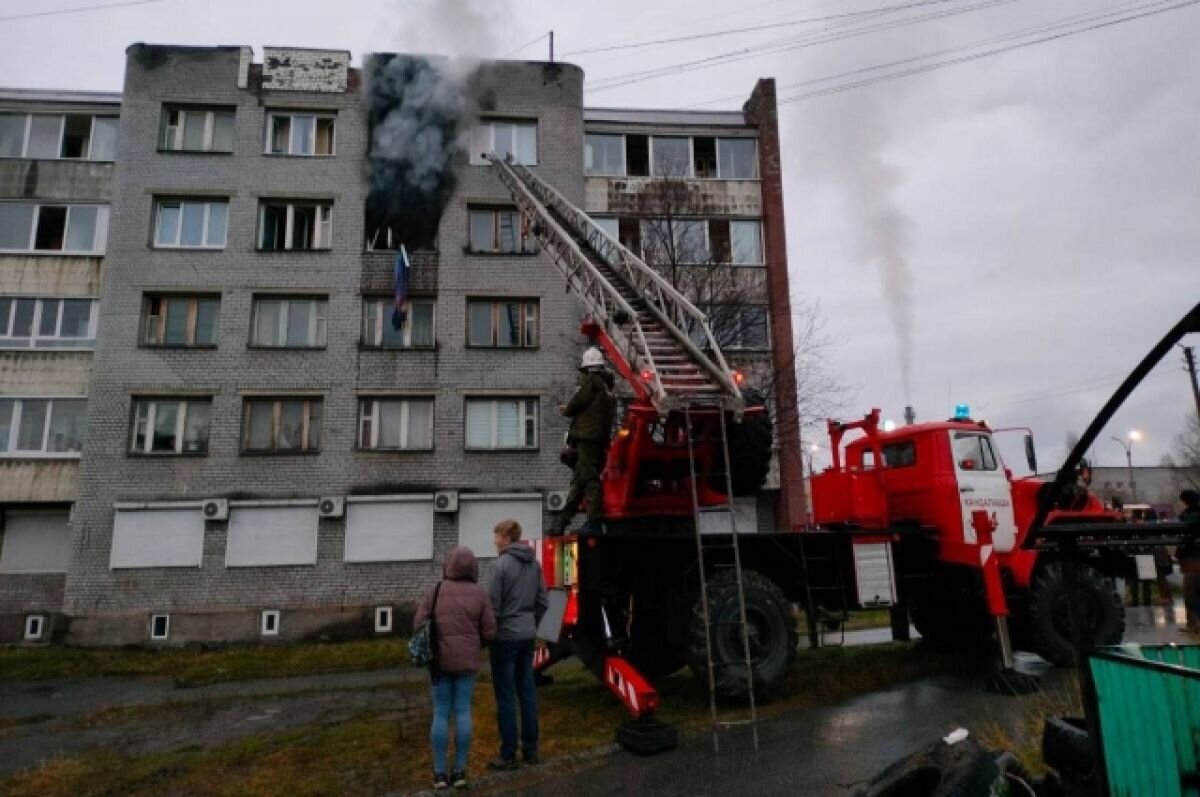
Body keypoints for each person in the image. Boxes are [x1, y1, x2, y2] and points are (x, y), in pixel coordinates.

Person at [413, 545, 497, 791]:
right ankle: (459, 771)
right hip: (467, 663)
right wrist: (474, 645)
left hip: (439, 663)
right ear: (473, 567)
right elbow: (490, 631)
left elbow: (418, 623)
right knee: (462, 711)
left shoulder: (435, 590)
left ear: (447, 565)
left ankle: (439, 774)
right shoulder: (480, 594)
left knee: (440, 712)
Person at [487, 519, 549, 770]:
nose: (494, 540)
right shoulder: (534, 565)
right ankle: (531, 750)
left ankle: (508, 754)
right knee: (527, 691)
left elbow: (493, 607)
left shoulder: (499, 565)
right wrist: (533, 624)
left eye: (497, 535)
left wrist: (490, 634)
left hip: (505, 638)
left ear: (506, 538)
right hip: (527, 635)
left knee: (506, 696)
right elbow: (543, 601)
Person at [550, 347, 616, 536]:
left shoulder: (592, 381)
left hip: (587, 438)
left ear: (586, 368)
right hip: (597, 439)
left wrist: (566, 409)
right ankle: (561, 523)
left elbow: (578, 401)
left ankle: (594, 520)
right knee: (579, 481)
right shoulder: (606, 386)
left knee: (588, 478)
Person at [1179, 489, 1200, 633]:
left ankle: (1193, 623)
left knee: (1191, 592)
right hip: (1192, 557)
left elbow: (1184, 527)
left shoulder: (1191, 516)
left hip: (1193, 557)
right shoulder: (1190, 513)